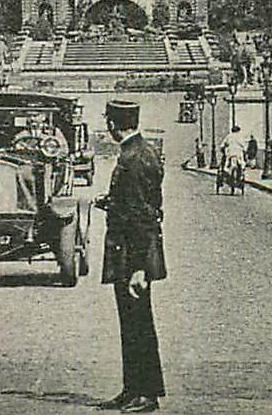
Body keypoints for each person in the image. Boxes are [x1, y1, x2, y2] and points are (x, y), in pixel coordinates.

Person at [96, 100, 166, 412]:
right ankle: (132, 388)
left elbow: (141, 215)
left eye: (108, 121)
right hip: (131, 251)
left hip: (132, 255)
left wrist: (140, 268)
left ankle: (147, 394)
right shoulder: (142, 151)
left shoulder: (133, 158)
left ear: (113, 124)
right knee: (132, 323)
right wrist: (110, 202)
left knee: (138, 324)